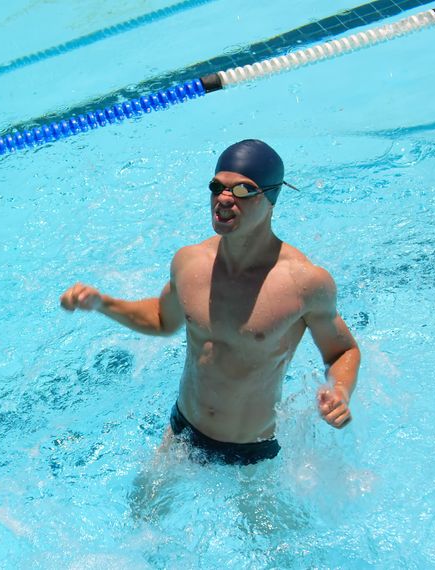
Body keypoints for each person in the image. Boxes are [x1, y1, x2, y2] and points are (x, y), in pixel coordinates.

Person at [60, 139, 360, 466]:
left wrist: (340, 392)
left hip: (252, 453)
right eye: (217, 187)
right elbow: (163, 318)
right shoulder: (190, 263)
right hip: (183, 433)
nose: (224, 199)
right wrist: (104, 304)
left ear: (272, 197)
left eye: (243, 190)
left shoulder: (303, 283)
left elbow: (342, 350)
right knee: (141, 512)